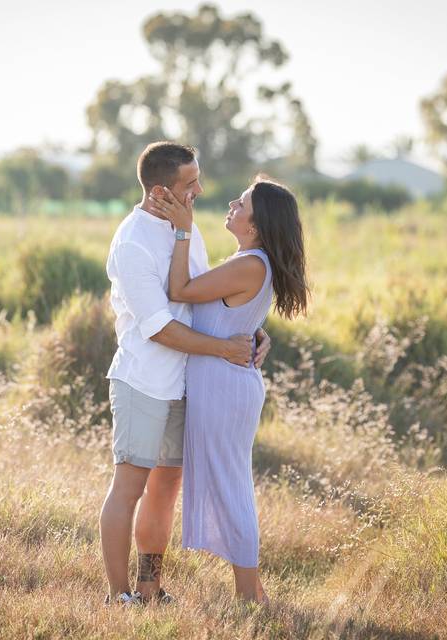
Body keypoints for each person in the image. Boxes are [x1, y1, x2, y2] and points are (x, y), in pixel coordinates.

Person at [99, 142, 273, 606]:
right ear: (161, 191)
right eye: (190, 183)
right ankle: (119, 597)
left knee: (164, 489)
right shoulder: (133, 242)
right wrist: (224, 349)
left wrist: (253, 334)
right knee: (130, 487)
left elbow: (201, 300)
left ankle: (150, 587)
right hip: (144, 383)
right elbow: (159, 328)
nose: (199, 189)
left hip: (185, 384)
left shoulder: (185, 230)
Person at [148, 174, 309, 603]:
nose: (231, 206)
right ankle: (253, 589)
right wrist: (257, 333)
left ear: (255, 226)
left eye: (241, 204)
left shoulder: (251, 263)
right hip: (225, 383)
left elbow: (178, 289)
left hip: (223, 387)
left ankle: (247, 597)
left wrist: (183, 229)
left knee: (231, 485)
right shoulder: (251, 261)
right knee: (231, 482)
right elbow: (231, 318)